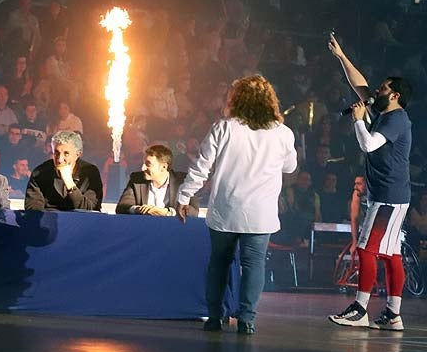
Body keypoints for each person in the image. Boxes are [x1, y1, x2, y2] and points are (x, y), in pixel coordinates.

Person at [176, 75, 297, 335]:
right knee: (254, 265)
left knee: (219, 263)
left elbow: (201, 167)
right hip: (260, 213)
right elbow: (290, 166)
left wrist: (184, 195)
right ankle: (246, 319)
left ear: (237, 99)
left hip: (226, 209)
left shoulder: (224, 128)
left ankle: (214, 316)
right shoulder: (283, 133)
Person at [327, 36, 413, 331]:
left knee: (365, 249)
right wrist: (341, 56)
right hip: (392, 195)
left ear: (395, 95)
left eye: (384, 88)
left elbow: (369, 144)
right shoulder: (385, 112)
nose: (377, 90)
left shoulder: (396, 119)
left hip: (388, 196)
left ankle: (360, 309)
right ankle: (393, 314)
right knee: (391, 253)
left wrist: (358, 120)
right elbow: (360, 85)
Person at [24, 130, 103, 211]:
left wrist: (69, 183)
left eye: (66, 153)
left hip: (79, 219)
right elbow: (33, 211)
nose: (60, 159)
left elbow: (91, 210)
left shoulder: (90, 173)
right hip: (49, 218)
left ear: (78, 154)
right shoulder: (40, 173)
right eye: (56, 153)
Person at [116, 145, 199, 217]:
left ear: (164, 167)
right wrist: (139, 209)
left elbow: (194, 211)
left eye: (148, 164)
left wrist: (168, 212)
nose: (143, 168)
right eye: (143, 163)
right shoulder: (137, 179)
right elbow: (121, 208)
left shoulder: (183, 181)